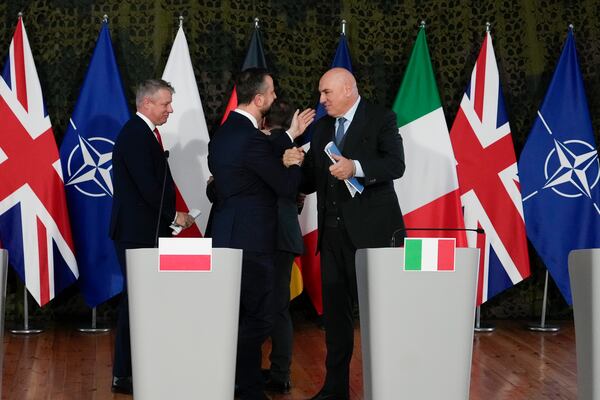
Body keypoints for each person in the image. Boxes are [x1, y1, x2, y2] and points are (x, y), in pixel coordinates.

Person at [208, 68, 314, 400]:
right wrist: (294, 161)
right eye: (271, 93)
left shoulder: (224, 134)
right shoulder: (252, 139)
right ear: (258, 99)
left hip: (225, 237)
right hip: (253, 242)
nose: (273, 97)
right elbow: (283, 186)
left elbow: (239, 178)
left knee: (235, 316)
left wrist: (286, 139)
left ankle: (236, 383)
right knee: (258, 318)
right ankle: (248, 388)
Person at [300, 67, 406, 400]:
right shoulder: (320, 130)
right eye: (320, 93)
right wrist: (292, 162)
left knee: (383, 315)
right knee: (336, 319)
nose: (321, 100)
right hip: (332, 237)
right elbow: (309, 181)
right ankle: (335, 390)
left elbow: (395, 165)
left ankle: (389, 387)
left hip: (374, 236)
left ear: (348, 89)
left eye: (326, 93)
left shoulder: (381, 118)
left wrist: (356, 167)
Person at [109, 79, 195, 395]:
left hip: (146, 231)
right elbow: (147, 187)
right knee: (136, 304)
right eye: (165, 103)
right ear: (146, 104)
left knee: (144, 303)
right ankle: (124, 374)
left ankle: (138, 368)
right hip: (136, 234)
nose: (170, 109)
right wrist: (174, 217)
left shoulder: (144, 133)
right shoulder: (135, 134)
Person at [261, 99, 305, 394]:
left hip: (264, 238)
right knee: (279, 309)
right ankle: (280, 372)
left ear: (264, 121)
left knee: (261, 308)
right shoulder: (298, 152)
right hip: (285, 236)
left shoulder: (263, 145)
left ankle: (268, 372)